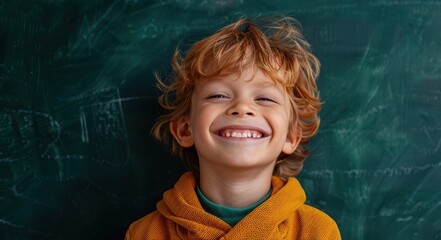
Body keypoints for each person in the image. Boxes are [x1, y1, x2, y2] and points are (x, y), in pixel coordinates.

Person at [125, 17, 340, 239]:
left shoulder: (318, 232)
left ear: (291, 136)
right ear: (184, 130)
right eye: (218, 95)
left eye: (265, 98)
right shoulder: (145, 234)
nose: (242, 107)